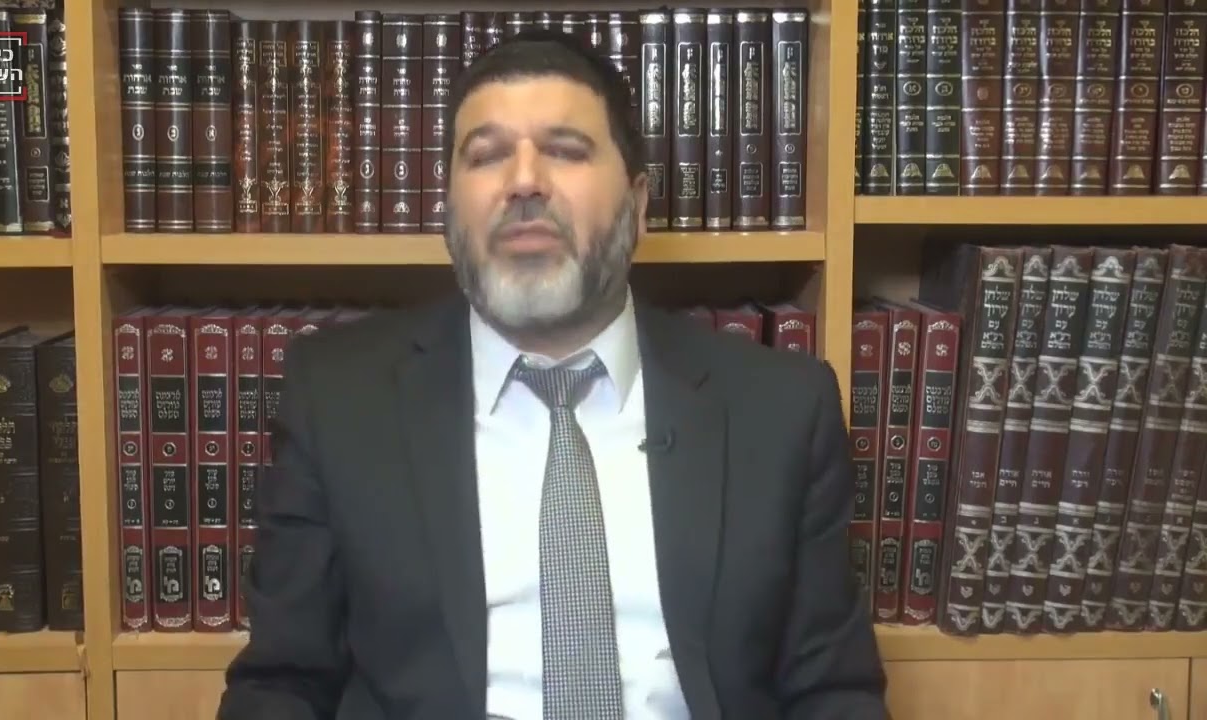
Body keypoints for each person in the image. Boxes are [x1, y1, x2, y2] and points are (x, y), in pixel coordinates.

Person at [216, 27, 888, 720]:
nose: (523, 181)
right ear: (448, 211)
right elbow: (282, 684)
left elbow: (832, 693)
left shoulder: (781, 411)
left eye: (565, 150)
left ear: (637, 205)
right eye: (486, 156)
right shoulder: (337, 401)